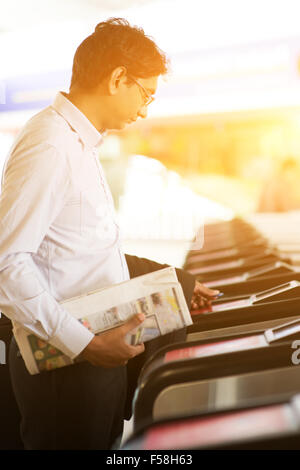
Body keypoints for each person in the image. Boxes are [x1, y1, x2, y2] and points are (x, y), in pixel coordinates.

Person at [1, 18, 219, 450]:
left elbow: (85, 255)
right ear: (118, 78)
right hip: (68, 366)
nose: (145, 110)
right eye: (146, 94)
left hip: (93, 355)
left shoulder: (78, 143)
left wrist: (176, 284)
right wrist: (86, 345)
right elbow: (7, 263)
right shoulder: (50, 145)